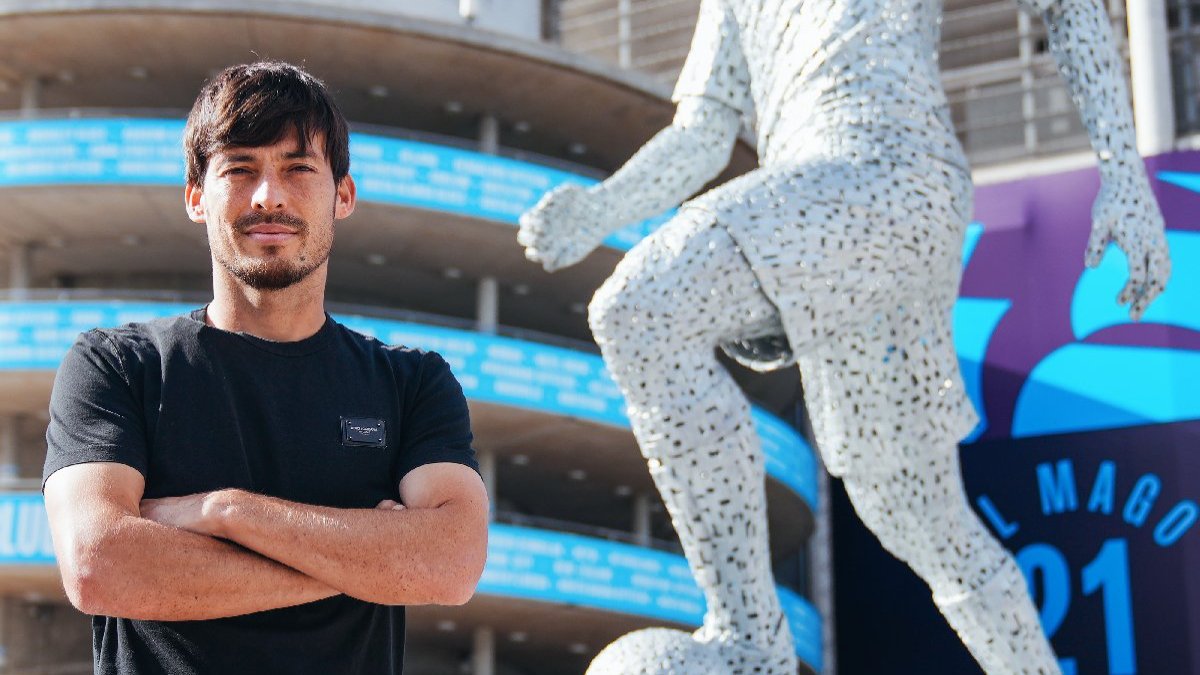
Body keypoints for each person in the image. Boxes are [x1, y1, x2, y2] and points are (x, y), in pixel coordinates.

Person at [519, 0, 1170, 672]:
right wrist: (598, 209)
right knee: (917, 515)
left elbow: (1068, 7)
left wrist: (1126, 178)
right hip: (832, 216)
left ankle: (749, 638)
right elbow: (700, 134)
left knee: (639, 309)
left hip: (887, 178)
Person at [42, 61, 488, 675]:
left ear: (343, 195)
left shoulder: (412, 383)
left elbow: (452, 563)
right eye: (240, 169)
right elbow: (100, 566)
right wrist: (371, 563)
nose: (268, 197)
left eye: (298, 169)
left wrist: (225, 512)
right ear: (196, 198)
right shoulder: (118, 367)